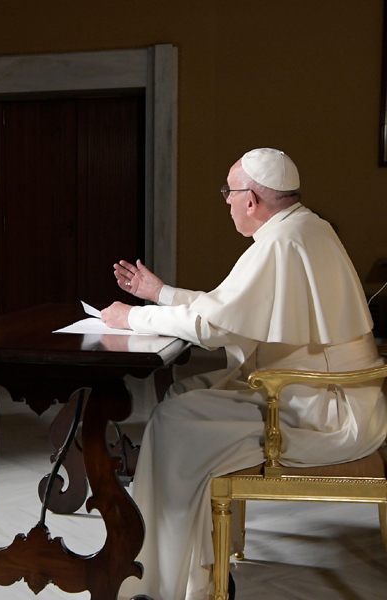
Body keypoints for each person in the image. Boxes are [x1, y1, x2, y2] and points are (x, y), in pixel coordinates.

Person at [102, 148, 387, 600]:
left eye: (229, 193)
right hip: (324, 394)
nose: (227, 202)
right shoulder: (304, 227)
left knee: (171, 421)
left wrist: (131, 319)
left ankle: (170, 581)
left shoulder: (281, 243)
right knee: (183, 393)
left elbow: (212, 326)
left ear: (251, 199)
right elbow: (228, 309)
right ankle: (202, 558)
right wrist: (161, 293)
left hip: (321, 411)